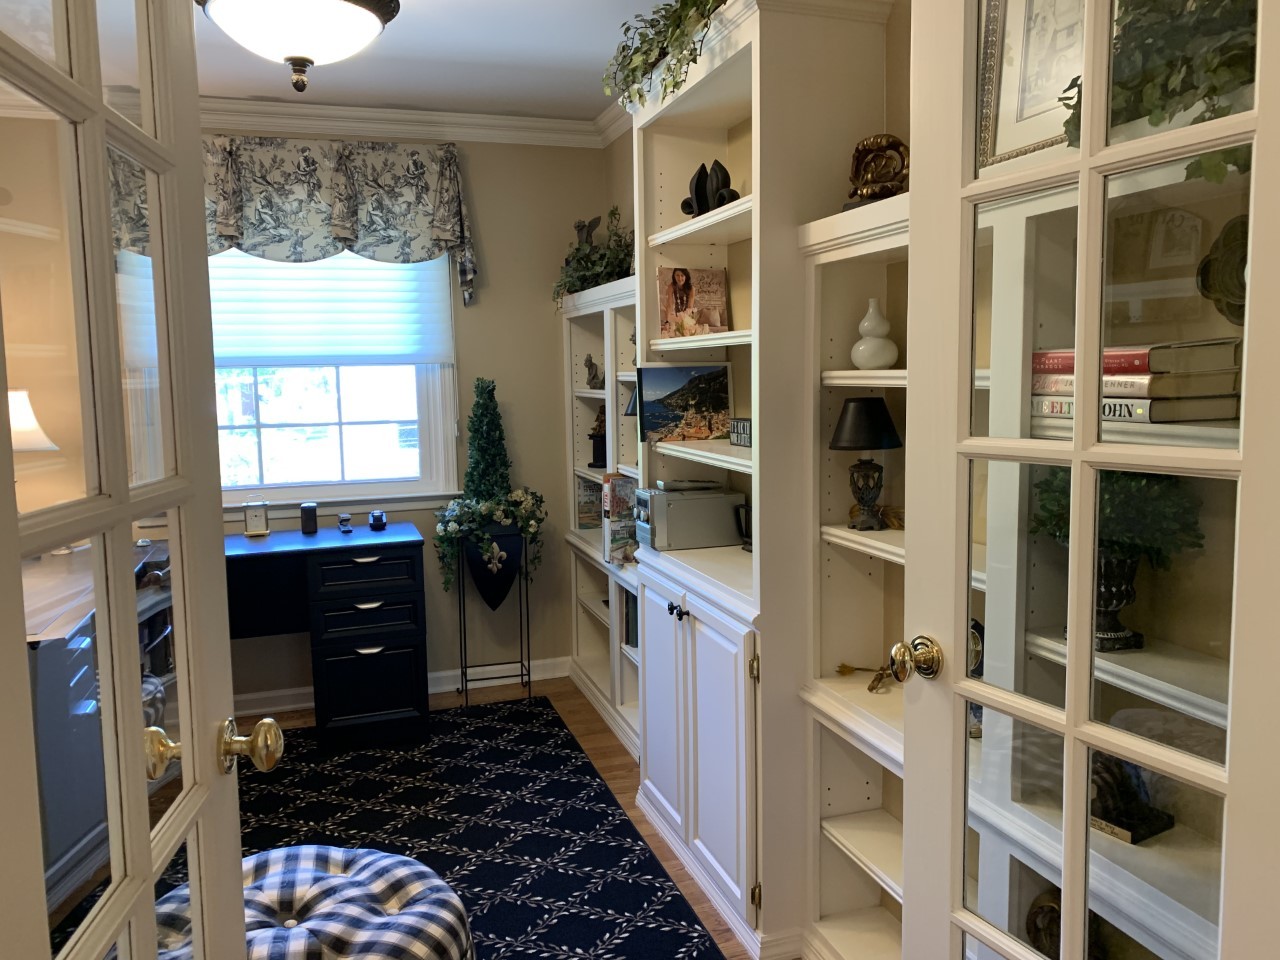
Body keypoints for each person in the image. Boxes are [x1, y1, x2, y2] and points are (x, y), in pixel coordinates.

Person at [661, 267, 698, 336]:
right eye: (677, 275)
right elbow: (669, 304)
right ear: (674, 276)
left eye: (682, 275)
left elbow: (690, 307)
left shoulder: (691, 289)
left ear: (686, 276)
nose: (680, 278)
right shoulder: (671, 286)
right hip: (677, 314)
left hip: (688, 315)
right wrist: (667, 321)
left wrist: (682, 318)